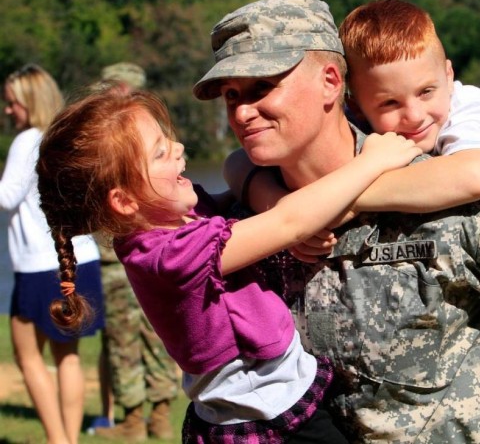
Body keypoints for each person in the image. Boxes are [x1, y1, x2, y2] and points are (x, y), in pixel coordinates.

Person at [193, 0, 480, 443]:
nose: (242, 112)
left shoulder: (446, 195)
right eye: (232, 96)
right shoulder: (244, 224)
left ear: (331, 82)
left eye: (262, 88)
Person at [35, 88, 421, 443]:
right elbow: (289, 222)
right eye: (159, 153)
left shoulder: (175, 218)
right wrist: (372, 161)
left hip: (272, 398)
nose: (178, 146)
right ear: (124, 201)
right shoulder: (169, 255)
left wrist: (275, 208)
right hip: (264, 416)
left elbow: (245, 195)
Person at [1, 63, 104, 444]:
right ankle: (69, 442)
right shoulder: (67, 138)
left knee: (27, 358)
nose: (8, 110)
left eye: (12, 103)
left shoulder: (27, 139)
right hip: (78, 260)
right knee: (69, 357)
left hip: (41, 266)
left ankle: (58, 440)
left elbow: (6, 196)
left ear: (29, 101)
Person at [87, 62, 180, 442]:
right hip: (135, 256)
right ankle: (145, 416)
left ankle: (146, 417)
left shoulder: (132, 137)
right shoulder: (135, 137)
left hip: (134, 255)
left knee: (142, 338)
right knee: (137, 338)